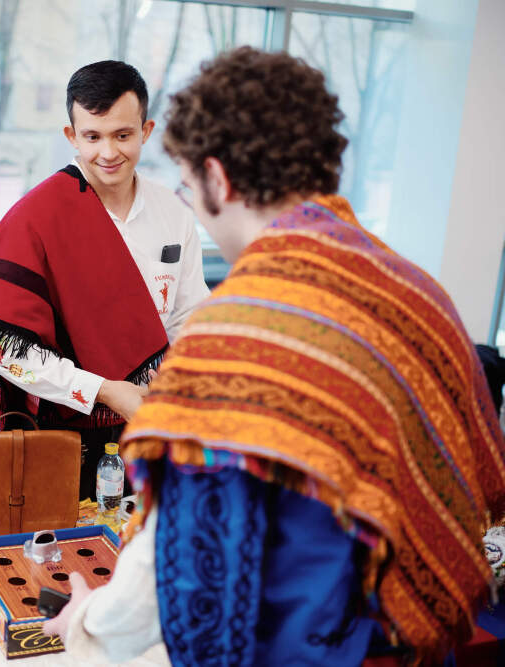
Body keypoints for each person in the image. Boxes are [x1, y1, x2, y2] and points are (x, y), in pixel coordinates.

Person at [44, 47, 505, 666]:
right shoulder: (419, 295)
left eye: (188, 185)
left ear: (218, 179)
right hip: (415, 641)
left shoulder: (235, 339)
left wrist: (89, 623)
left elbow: (169, 566)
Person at [0, 60, 209, 499]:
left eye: (123, 135)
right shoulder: (33, 219)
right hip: (58, 433)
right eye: (93, 137)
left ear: (146, 130)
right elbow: (2, 348)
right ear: (71, 135)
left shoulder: (173, 213)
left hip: (152, 424)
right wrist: (103, 391)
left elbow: (188, 314)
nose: (108, 152)